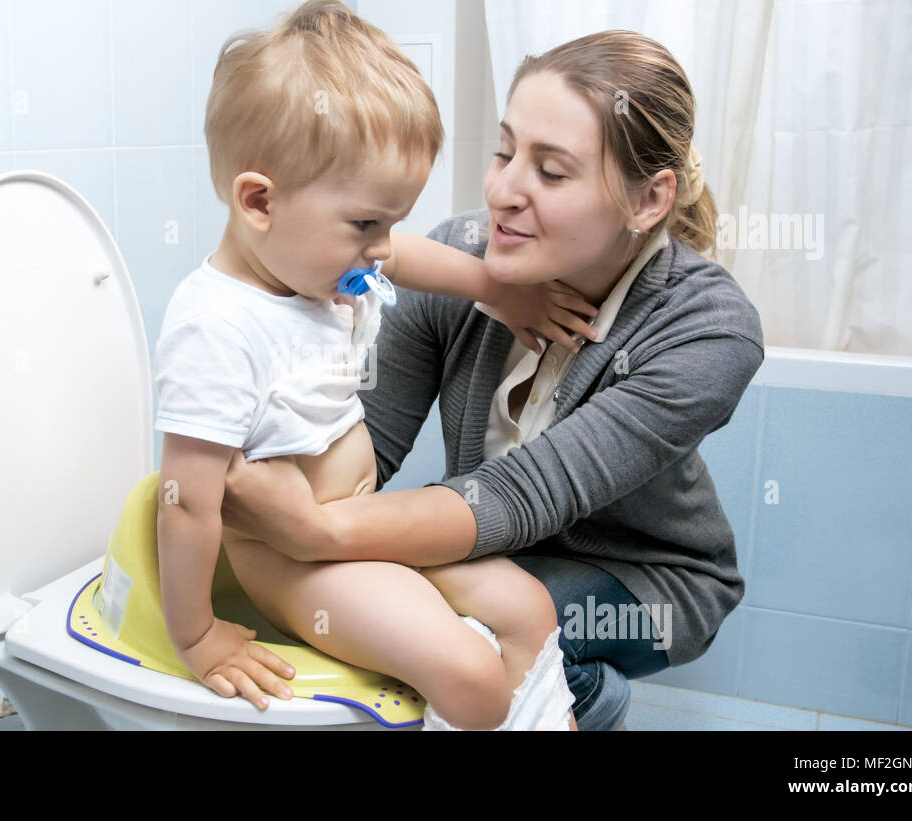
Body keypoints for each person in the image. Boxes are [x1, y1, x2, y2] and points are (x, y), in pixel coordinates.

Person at [219, 29, 766, 731]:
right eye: (505, 151)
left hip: (646, 582)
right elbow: (368, 446)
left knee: (463, 629)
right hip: (488, 544)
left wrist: (307, 527)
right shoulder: (461, 259)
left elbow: (524, 495)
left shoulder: (707, 327)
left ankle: (586, 700)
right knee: (394, 613)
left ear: (649, 199)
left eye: (552, 171)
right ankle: (575, 688)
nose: (504, 190)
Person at [155, 1, 590, 730]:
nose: (383, 247)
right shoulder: (217, 328)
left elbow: (410, 257)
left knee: (529, 605)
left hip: (349, 526)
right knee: (471, 674)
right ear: (259, 202)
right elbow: (188, 501)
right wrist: (196, 635)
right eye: (367, 224)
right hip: (292, 562)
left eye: (391, 220)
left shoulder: (315, 265)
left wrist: (497, 290)